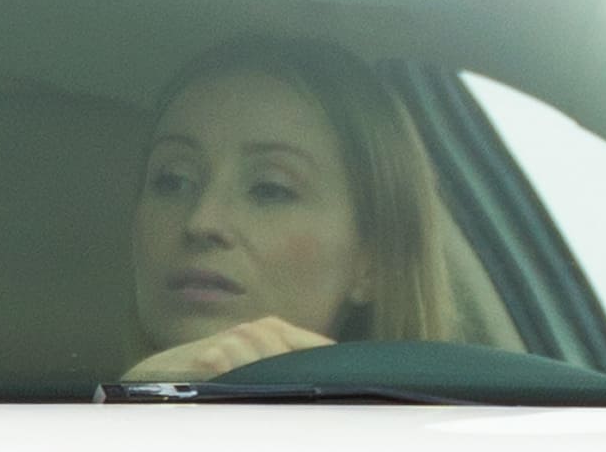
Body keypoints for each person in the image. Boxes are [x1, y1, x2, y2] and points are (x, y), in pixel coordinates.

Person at [120, 34, 490, 384]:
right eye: (173, 180)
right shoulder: (69, 436)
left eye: (270, 190)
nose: (201, 221)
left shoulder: (435, 450)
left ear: (373, 260)